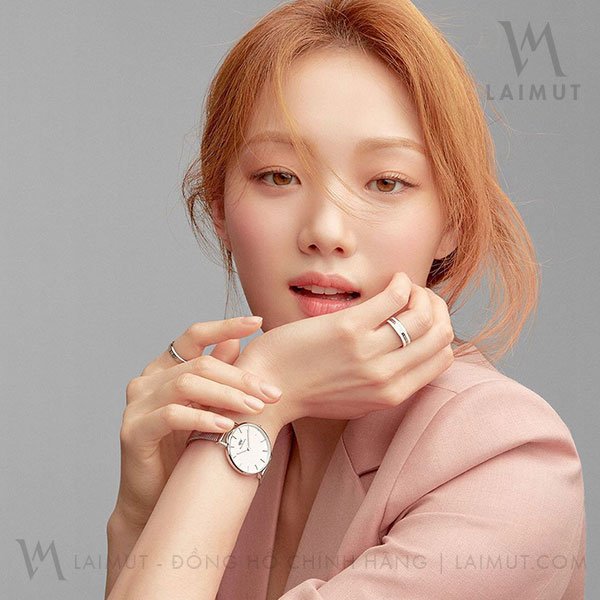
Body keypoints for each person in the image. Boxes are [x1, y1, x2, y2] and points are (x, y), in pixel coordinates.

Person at [104, 1, 585, 598]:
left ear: (454, 221)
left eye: (387, 182)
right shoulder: (214, 430)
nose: (326, 231)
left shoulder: (506, 462)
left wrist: (251, 414)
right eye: (279, 176)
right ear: (219, 206)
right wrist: (138, 512)